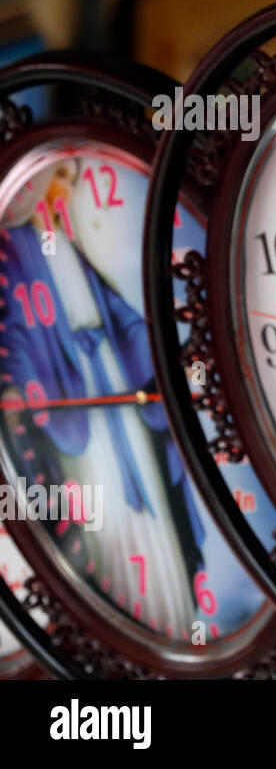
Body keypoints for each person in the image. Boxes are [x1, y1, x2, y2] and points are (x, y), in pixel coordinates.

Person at [0, 161, 202, 635]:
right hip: (82, 409)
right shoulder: (18, 249)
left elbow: (120, 315)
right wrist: (22, 390)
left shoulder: (68, 244)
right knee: (106, 505)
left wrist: (156, 348)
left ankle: (171, 618)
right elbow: (17, 338)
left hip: (116, 387)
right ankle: (130, 621)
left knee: (150, 501)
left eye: (71, 178)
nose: (66, 188)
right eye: (60, 179)